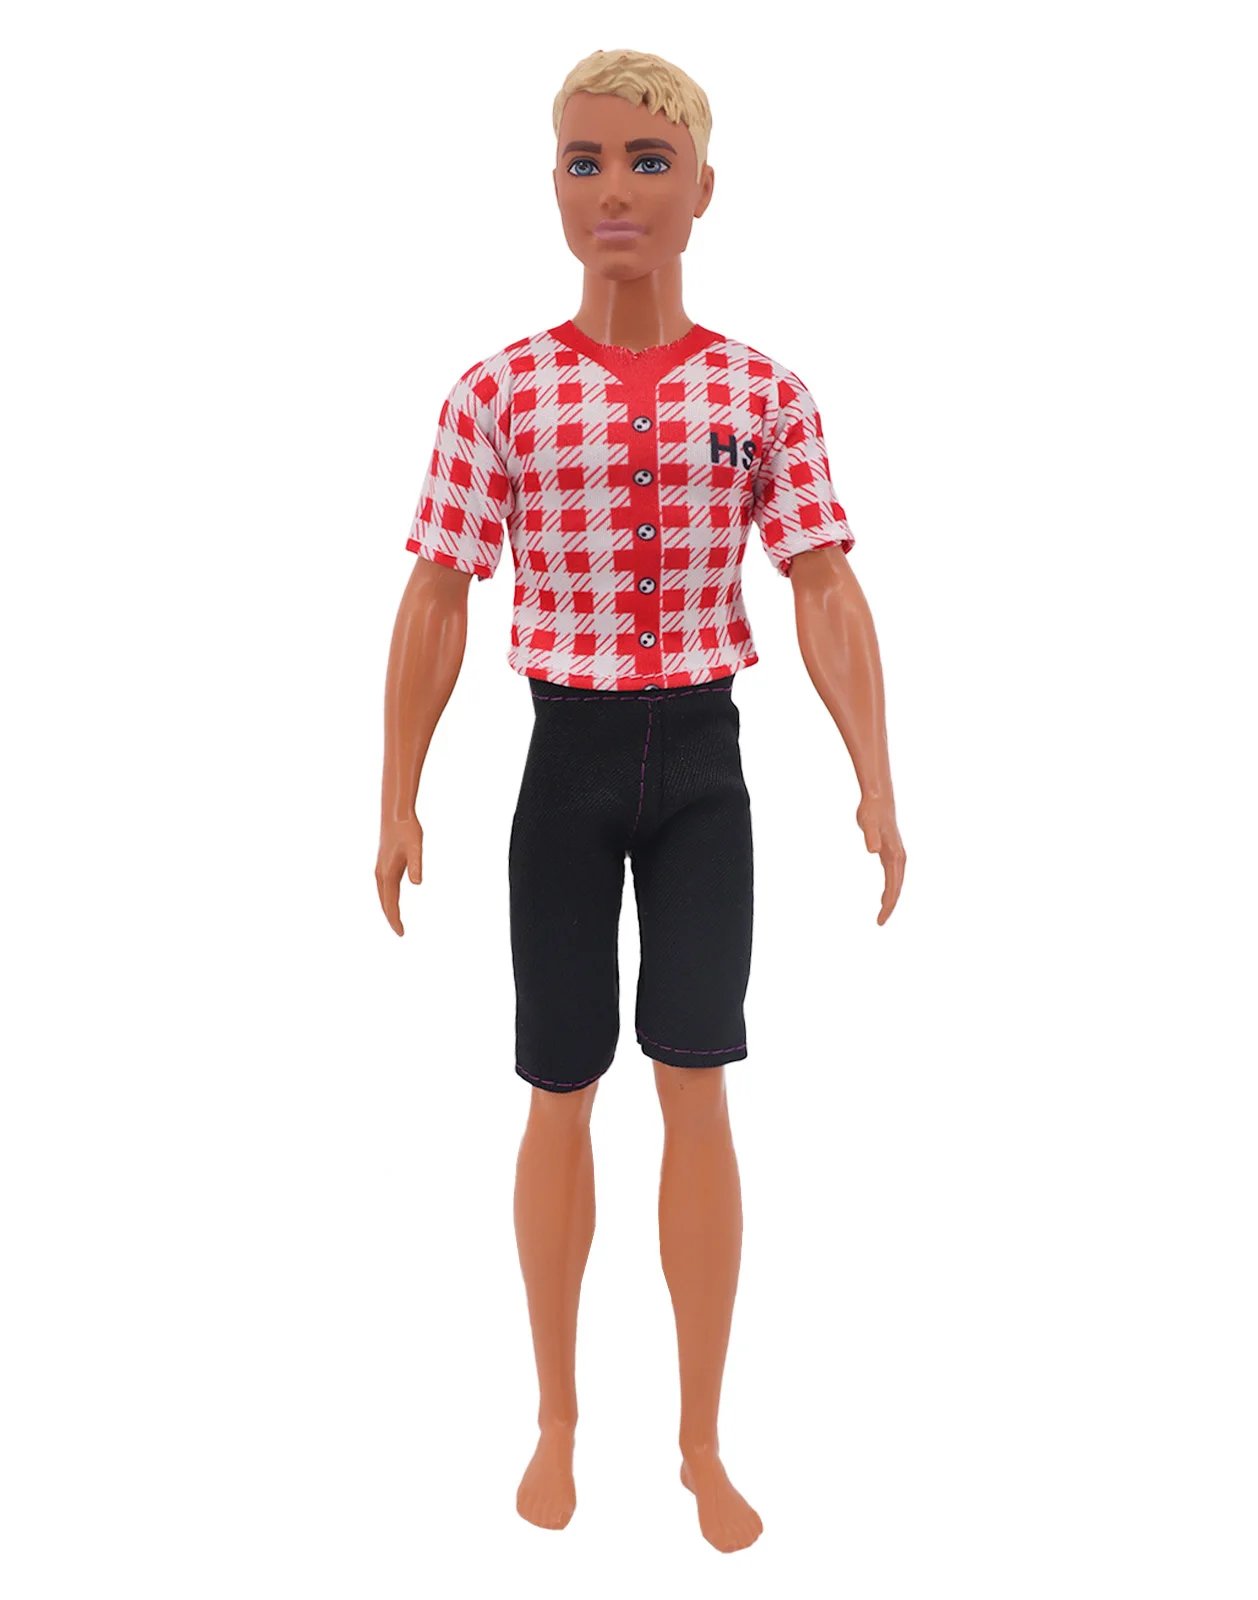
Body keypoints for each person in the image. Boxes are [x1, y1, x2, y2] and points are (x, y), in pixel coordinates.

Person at [376, 47, 906, 1554]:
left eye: (648, 161)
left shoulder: (761, 393)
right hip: (565, 764)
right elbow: (436, 593)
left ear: (704, 191)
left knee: (698, 1081)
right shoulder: (498, 392)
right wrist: (397, 790)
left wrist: (876, 775)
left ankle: (699, 1440)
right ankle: (554, 1420)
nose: (615, 190)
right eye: (585, 161)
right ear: (553, 188)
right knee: (559, 1085)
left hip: (705, 778)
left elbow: (823, 585)